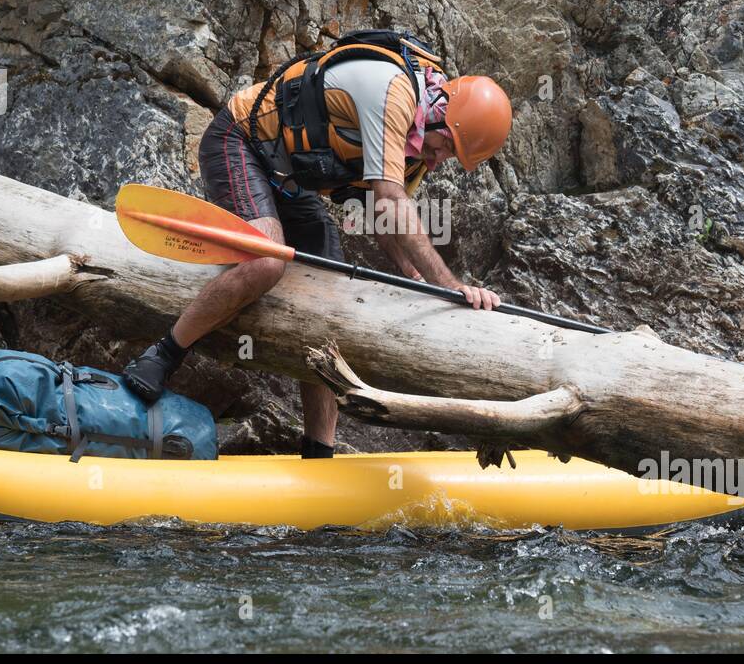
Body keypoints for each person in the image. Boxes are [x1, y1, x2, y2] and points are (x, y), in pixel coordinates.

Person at [122, 32, 512, 458]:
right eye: (446, 147)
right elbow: (390, 199)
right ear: (441, 116)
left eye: (451, 157)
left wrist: (418, 279)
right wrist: (450, 282)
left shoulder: (419, 144)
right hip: (241, 142)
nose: (438, 159)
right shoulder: (392, 89)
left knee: (331, 303)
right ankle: (163, 354)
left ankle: (318, 451)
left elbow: (383, 218)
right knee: (268, 261)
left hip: (292, 185)